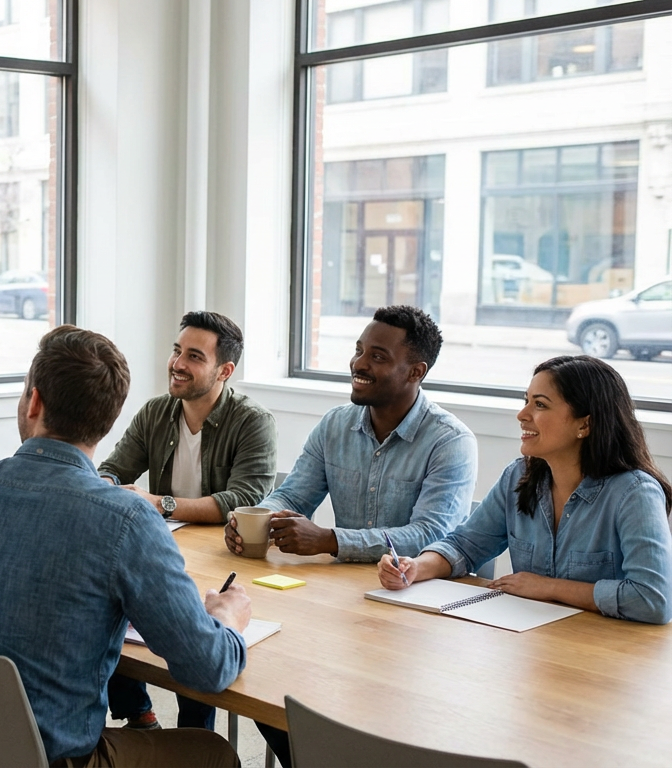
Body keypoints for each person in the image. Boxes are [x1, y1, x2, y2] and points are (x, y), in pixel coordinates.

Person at [0, 325, 250, 768]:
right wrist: (226, 619)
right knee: (213, 752)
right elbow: (208, 669)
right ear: (108, 420)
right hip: (49, 759)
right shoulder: (127, 520)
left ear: (34, 402)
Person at [224, 305, 477, 767]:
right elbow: (293, 494)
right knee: (259, 675)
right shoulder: (336, 424)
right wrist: (256, 520)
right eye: (359, 351)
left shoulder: (450, 441)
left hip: (417, 617)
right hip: (339, 606)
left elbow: (431, 535)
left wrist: (329, 540)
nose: (359, 364)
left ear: (416, 371)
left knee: (368, 721)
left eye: (377, 356)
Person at [380, 355, 672, 625]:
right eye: (526, 401)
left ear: (585, 424)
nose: (522, 414)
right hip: (532, 647)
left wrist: (549, 588)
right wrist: (415, 567)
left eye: (540, 404)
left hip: (608, 656)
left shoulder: (635, 493)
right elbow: (464, 547)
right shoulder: (518, 476)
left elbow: (653, 600)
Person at [97, 311, 276, 731]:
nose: (177, 363)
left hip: (221, 560)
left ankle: (196, 739)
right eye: (177, 351)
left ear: (224, 370)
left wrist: (159, 503)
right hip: (163, 550)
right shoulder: (156, 412)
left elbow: (244, 498)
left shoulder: (253, 421)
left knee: (195, 637)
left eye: (194, 356)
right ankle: (139, 715)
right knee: (106, 603)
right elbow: (114, 467)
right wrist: (103, 484)